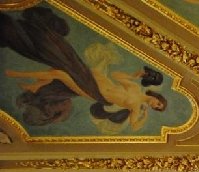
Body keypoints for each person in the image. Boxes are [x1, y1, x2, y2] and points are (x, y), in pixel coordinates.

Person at [1, 7, 167, 131]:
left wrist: (145, 116)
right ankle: (36, 84)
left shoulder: (136, 107)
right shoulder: (135, 88)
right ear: (158, 97)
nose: (155, 105)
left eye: (157, 108)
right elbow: (116, 75)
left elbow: (134, 126)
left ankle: (18, 74)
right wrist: (132, 76)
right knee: (65, 61)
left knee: (60, 73)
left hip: (94, 93)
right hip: (96, 79)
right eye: (159, 103)